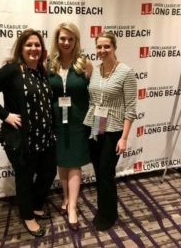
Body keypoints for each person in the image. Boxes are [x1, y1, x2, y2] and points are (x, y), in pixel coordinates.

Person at [0, 29, 56, 237]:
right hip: (20, 139)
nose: (34, 48)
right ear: (21, 47)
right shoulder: (12, 70)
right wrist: (5, 115)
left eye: (37, 45)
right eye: (29, 44)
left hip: (44, 137)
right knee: (25, 178)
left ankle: (37, 206)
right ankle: (28, 216)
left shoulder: (41, 70)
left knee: (48, 172)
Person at [84, 31, 137, 231]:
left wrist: (124, 137)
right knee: (99, 171)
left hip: (114, 130)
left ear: (114, 47)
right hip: (97, 125)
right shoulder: (95, 70)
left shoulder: (126, 72)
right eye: (99, 47)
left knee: (106, 172)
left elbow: (131, 108)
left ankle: (108, 215)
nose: (103, 50)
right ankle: (105, 210)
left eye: (107, 46)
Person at [47, 22, 92, 231]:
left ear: (76, 41)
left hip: (77, 123)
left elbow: (96, 94)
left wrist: (98, 124)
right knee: (62, 163)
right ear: (57, 40)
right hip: (56, 122)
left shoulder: (85, 65)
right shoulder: (49, 65)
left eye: (70, 39)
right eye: (62, 38)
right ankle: (65, 198)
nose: (66, 42)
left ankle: (72, 207)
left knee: (74, 164)